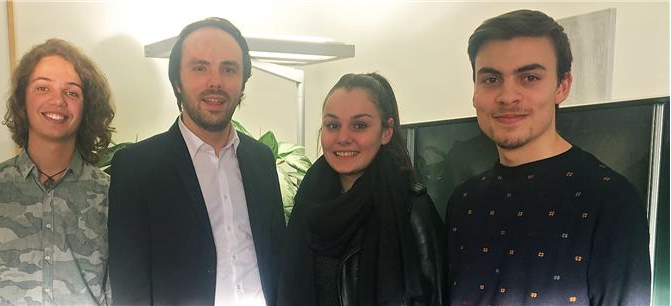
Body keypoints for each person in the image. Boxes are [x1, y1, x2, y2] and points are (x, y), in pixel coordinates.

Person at [446, 9, 651, 306]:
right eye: (491, 79)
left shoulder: (611, 201)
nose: (507, 96)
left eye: (529, 77)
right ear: (475, 91)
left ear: (562, 86)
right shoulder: (464, 201)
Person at [107, 17, 285, 306]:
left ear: (242, 81)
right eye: (200, 68)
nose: (215, 82)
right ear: (177, 81)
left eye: (229, 69)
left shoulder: (261, 159)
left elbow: (276, 257)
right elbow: (130, 287)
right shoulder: (137, 168)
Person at [0, 38, 115, 305]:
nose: (58, 100)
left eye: (72, 92)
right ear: (22, 100)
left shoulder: (110, 194)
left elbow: (118, 292)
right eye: (43, 87)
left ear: (86, 106)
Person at [279, 73, 445, 306]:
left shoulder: (412, 209)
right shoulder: (308, 202)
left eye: (359, 125)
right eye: (333, 125)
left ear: (386, 132)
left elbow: (433, 297)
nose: (343, 137)